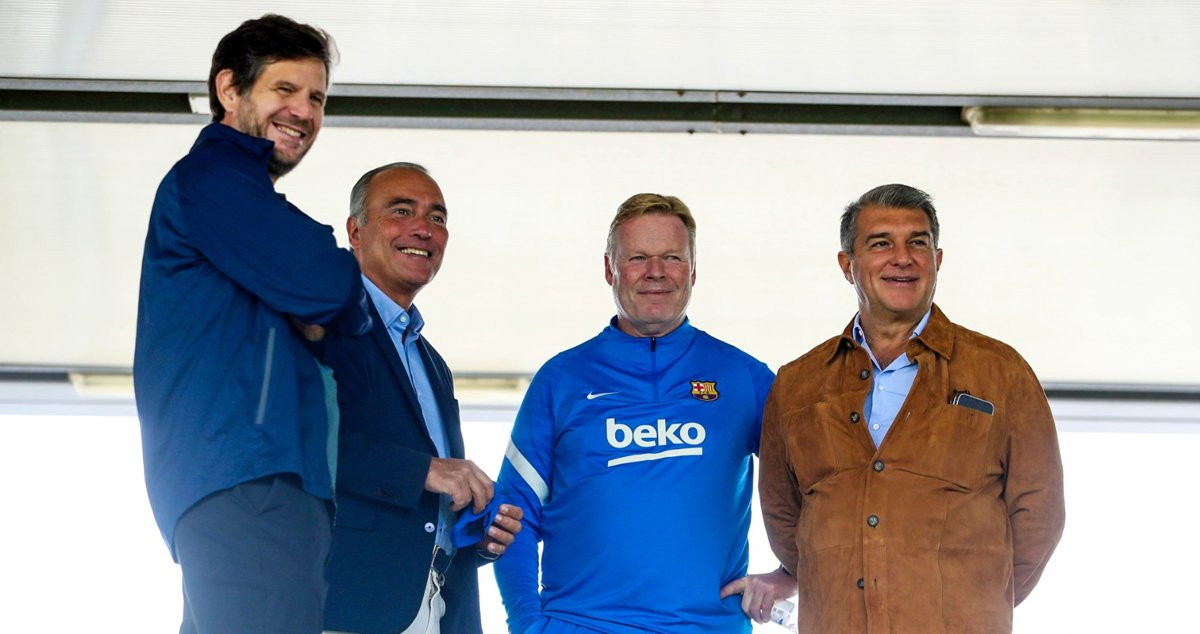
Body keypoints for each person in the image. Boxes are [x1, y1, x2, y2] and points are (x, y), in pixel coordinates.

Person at [133, 14, 371, 634]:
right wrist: (326, 273)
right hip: (251, 476)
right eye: (284, 90)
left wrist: (316, 296)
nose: (304, 111)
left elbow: (321, 304)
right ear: (229, 89)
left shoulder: (239, 195)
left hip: (254, 481)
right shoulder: (213, 179)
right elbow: (329, 286)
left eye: (316, 97)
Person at [759, 183, 1066, 632]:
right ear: (848, 265)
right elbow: (785, 521)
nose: (902, 258)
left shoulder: (1002, 373)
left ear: (937, 261)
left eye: (917, 243)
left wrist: (967, 598)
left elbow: (1040, 515)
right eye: (880, 243)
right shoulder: (797, 384)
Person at [494, 193, 794, 633]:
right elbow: (512, 515)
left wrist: (793, 573)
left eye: (672, 257)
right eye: (638, 257)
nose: (656, 272)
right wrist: (525, 625)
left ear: (693, 270)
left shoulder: (742, 377)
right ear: (609, 269)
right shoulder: (561, 380)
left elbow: (823, 484)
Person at [317, 163, 524, 634]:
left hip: (438, 609)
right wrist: (424, 470)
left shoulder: (432, 363)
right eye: (401, 211)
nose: (423, 229)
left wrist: (478, 538)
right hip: (347, 606)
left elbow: (427, 513)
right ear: (355, 230)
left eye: (438, 218)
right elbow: (300, 439)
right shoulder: (323, 325)